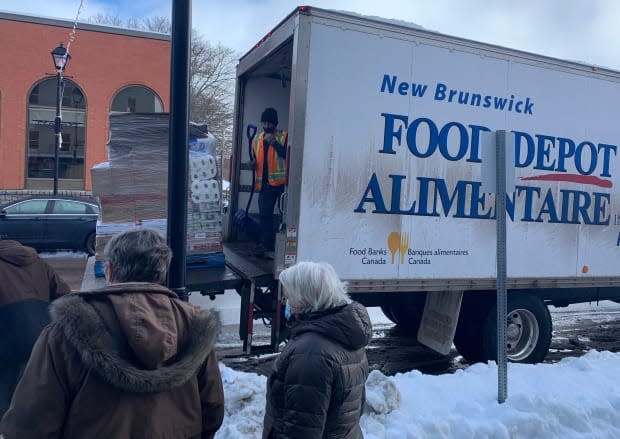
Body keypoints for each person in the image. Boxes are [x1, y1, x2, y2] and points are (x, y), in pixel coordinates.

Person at [0, 229, 225, 439]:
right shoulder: (195, 325)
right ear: (161, 272)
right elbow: (212, 410)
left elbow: (30, 423)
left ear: (109, 270)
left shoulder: (64, 333)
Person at [263, 261, 372, 439]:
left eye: (288, 297)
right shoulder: (347, 336)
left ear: (304, 300)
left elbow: (301, 430)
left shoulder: (310, 353)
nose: (286, 303)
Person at [0, 239, 71, 419]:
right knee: (37, 395)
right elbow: (64, 297)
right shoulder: (37, 262)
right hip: (42, 338)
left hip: (6, 342)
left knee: (6, 399)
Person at [250, 107, 288, 259]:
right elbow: (256, 158)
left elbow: (287, 154)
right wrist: (252, 163)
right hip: (265, 185)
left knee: (283, 215)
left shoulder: (283, 137)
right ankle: (266, 245)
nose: (266, 126)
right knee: (265, 215)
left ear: (274, 123)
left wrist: (273, 142)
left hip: (281, 184)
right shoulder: (257, 139)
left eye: (269, 123)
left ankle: (281, 245)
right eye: (264, 123)